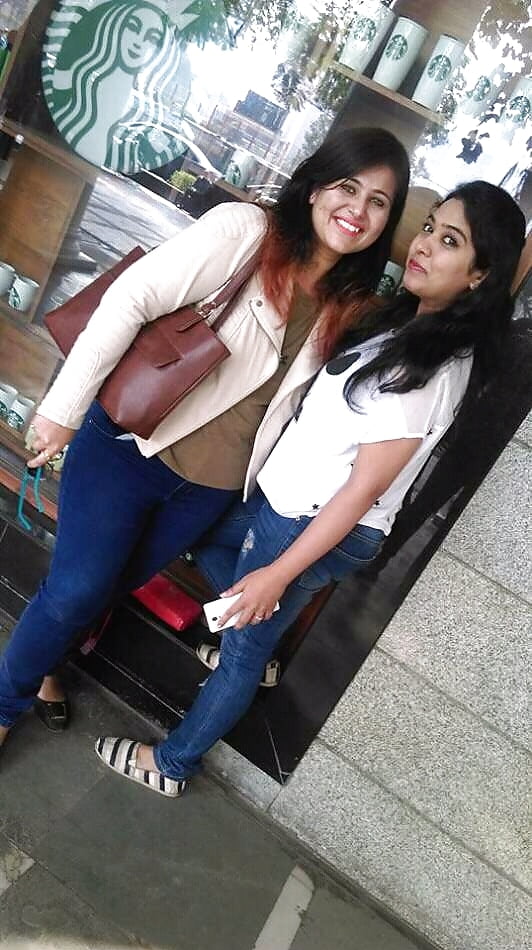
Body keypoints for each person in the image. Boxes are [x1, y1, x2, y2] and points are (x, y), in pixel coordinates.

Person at [94, 180, 525, 797]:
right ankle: (257, 644)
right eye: (430, 227)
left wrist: (277, 575)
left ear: (480, 276)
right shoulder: (410, 325)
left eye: (450, 241)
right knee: (206, 540)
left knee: (240, 646)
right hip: (289, 506)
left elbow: (360, 492)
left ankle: (172, 764)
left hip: (310, 520)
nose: (425, 245)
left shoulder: (429, 371)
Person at [0, 127, 410, 747]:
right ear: (314, 186)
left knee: (101, 589)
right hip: (129, 448)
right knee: (75, 590)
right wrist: (63, 408)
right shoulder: (246, 233)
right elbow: (131, 298)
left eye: (378, 202)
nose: (357, 209)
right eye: (347, 187)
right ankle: (6, 705)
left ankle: (45, 666)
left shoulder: (346, 305)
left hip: (207, 492)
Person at [42, 0, 192, 172]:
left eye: (151, 37)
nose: (139, 42)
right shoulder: (75, 76)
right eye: (133, 27)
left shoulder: (124, 91)